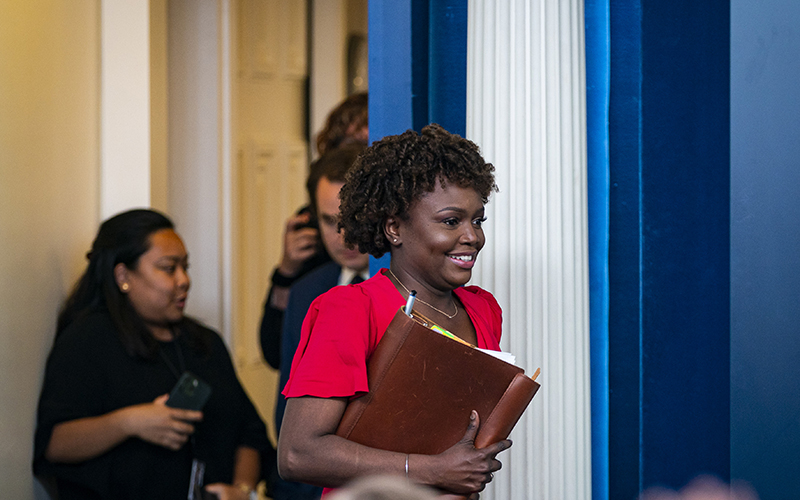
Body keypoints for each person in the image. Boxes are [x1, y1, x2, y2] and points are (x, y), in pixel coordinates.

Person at [278, 124, 508, 499]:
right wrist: (433, 470)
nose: (473, 237)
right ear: (394, 228)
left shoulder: (483, 309)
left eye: (477, 219)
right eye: (451, 221)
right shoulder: (349, 310)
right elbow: (297, 454)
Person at [33, 209, 269, 500]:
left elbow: (249, 432)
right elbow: (55, 444)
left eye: (186, 267)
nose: (184, 280)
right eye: (169, 268)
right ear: (123, 276)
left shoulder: (204, 343)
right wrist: (129, 422)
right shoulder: (87, 340)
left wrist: (242, 491)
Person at [273, 143, 370, 500]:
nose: (343, 236)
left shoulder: (408, 286)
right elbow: (286, 409)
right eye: (329, 221)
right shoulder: (306, 291)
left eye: (352, 219)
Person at [259, 92, 368, 369]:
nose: (345, 234)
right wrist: (286, 272)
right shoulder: (308, 231)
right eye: (330, 222)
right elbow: (279, 354)